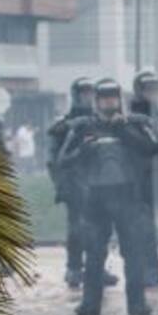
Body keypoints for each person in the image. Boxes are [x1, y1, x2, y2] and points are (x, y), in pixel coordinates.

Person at [58, 78, 157, 315]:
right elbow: (64, 159)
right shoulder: (83, 127)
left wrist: (125, 131)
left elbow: (153, 148)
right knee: (93, 253)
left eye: (113, 98)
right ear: (97, 101)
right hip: (96, 198)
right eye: (104, 98)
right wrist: (84, 150)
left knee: (133, 252)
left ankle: (137, 304)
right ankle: (90, 305)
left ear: (119, 100)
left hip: (127, 195)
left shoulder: (133, 124)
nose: (108, 102)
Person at [48, 77, 96, 288]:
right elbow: (53, 159)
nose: (88, 97)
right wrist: (61, 184)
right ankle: (74, 268)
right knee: (77, 227)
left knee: (98, 228)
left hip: (97, 181)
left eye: (90, 93)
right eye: (84, 93)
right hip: (73, 181)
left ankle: (96, 267)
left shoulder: (98, 119)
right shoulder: (64, 125)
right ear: (76, 95)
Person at [131, 70, 158, 287]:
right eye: (148, 89)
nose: (152, 93)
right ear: (139, 91)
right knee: (145, 226)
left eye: (155, 88)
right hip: (141, 177)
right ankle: (150, 268)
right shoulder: (133, 116)